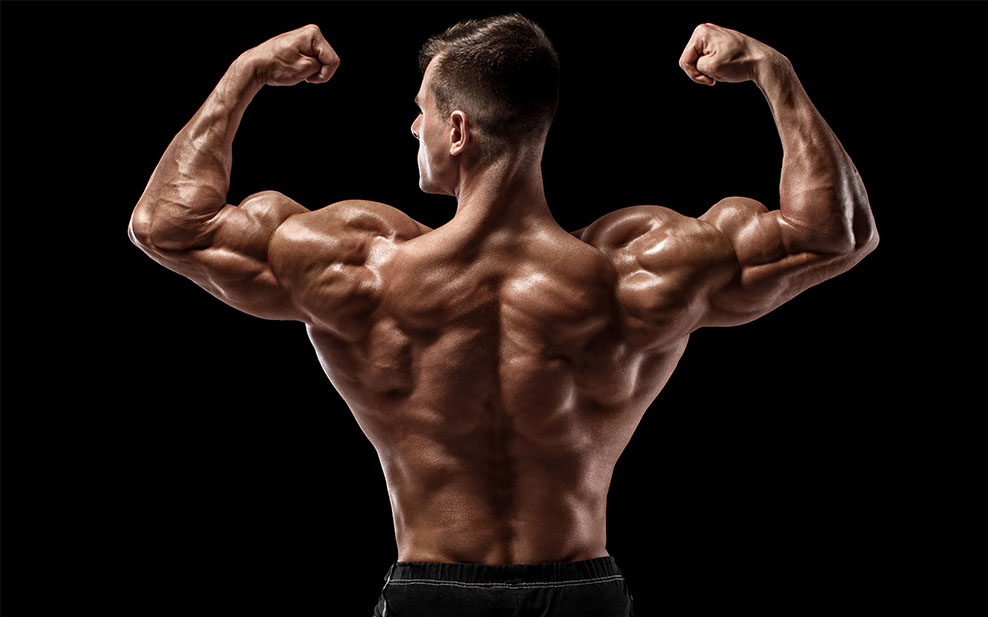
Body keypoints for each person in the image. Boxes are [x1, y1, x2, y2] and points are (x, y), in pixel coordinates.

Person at [128, 13, 878, 617]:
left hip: (430, 596)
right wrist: (774, 73)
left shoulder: (362, 269)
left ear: (457, 130)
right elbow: (835, 232)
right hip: (583, 595)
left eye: (419, 113)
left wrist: (245, 74)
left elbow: (168, 224)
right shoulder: (634, 274)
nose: (410, 130)